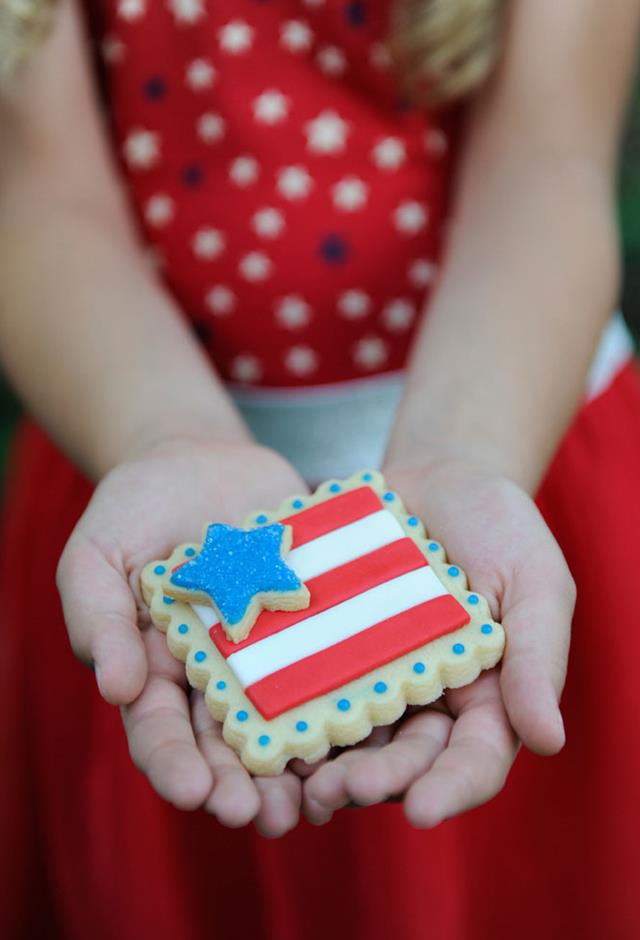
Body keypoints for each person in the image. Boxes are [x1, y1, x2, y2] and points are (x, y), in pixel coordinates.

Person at [1, 0, 639, 937]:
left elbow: (547, 163)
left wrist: (470, 449)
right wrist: (164, 432)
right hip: (131, 426)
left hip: (514, 415)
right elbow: (40, 201)